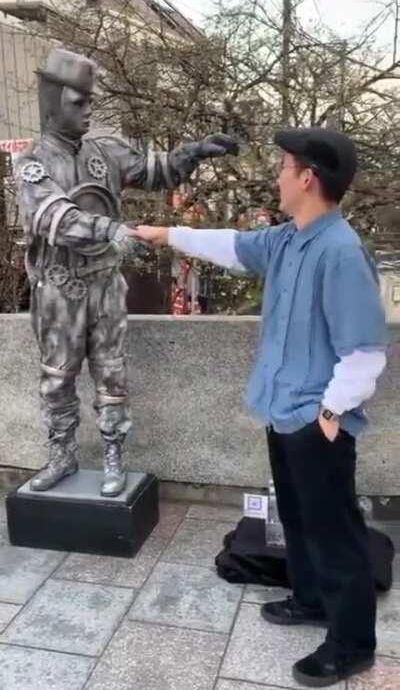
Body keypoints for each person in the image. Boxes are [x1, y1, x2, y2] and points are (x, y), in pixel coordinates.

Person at [133, 126, 387, 687]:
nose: (277, 175)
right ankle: (311, 598)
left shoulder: (341, 252)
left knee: (334, 529)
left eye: (283, 167)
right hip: (280, 408)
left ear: (308, 178)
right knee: (297, 517)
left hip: (316, 419)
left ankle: (351, 644)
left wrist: (329, 414)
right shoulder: (289, 239)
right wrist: (164, 233)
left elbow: (365, 352)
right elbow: (231, 245)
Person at [15, 47, 238, 497]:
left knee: (112, 374)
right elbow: (55, 219)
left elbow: (156, 173)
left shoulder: (106, 151)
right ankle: (61, 456)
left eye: (89, 101)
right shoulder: (32, 162)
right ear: (53, 102)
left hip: (105, 285)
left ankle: (115, 454)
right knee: (58, 378)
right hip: (60, 288)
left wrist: (193, 153)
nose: (87, 109)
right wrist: (111, 228)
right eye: (78, 102)